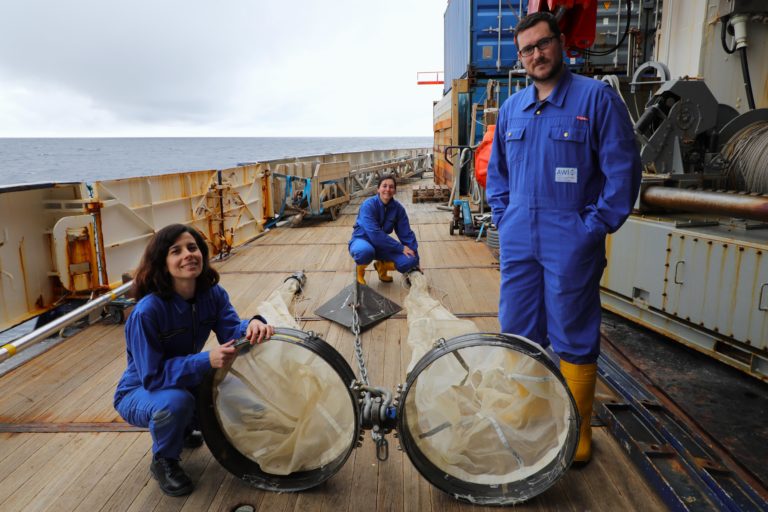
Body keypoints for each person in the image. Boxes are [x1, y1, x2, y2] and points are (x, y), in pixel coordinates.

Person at [486, 12, 641, 464]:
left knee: (573, 332)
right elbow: (496, 175)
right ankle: (527, 421)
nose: (537, 54)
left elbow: (622, 175)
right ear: (520, 57)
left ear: (560, 43)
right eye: (527, 49)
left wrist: (590, 228)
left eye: (543, 43)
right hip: (519, 239)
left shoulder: (596, 101)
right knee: (517, 328)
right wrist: (504, 217)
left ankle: (577, 432)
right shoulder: (513, 108)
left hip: (569, 239)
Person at [113, 224, 274, 496]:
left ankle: (185, 425)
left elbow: (231, 329)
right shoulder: (147, 312)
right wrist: (204, 361)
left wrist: (253, 324)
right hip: (140, 390)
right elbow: (152, 377)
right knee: (177, 403)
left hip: (184, 380)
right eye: (176, 251)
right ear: (162, 263)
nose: (188, 254)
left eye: (193, 247)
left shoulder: (212, 295)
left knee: (251, 406)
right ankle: (165, 460)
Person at [349, 174, 419, 284]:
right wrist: (400, 248)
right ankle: (359, 273)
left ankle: (382, 267)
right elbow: (375, 234)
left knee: (410, 260)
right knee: (364, 251)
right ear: (378, 189)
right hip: (362, 240)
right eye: (384, 186)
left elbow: (407, 234)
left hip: (382, 245)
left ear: (395, 191)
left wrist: (415, 259)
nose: (387, 189)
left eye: (391, 187)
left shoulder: (398, 209)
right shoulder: (368, 205)